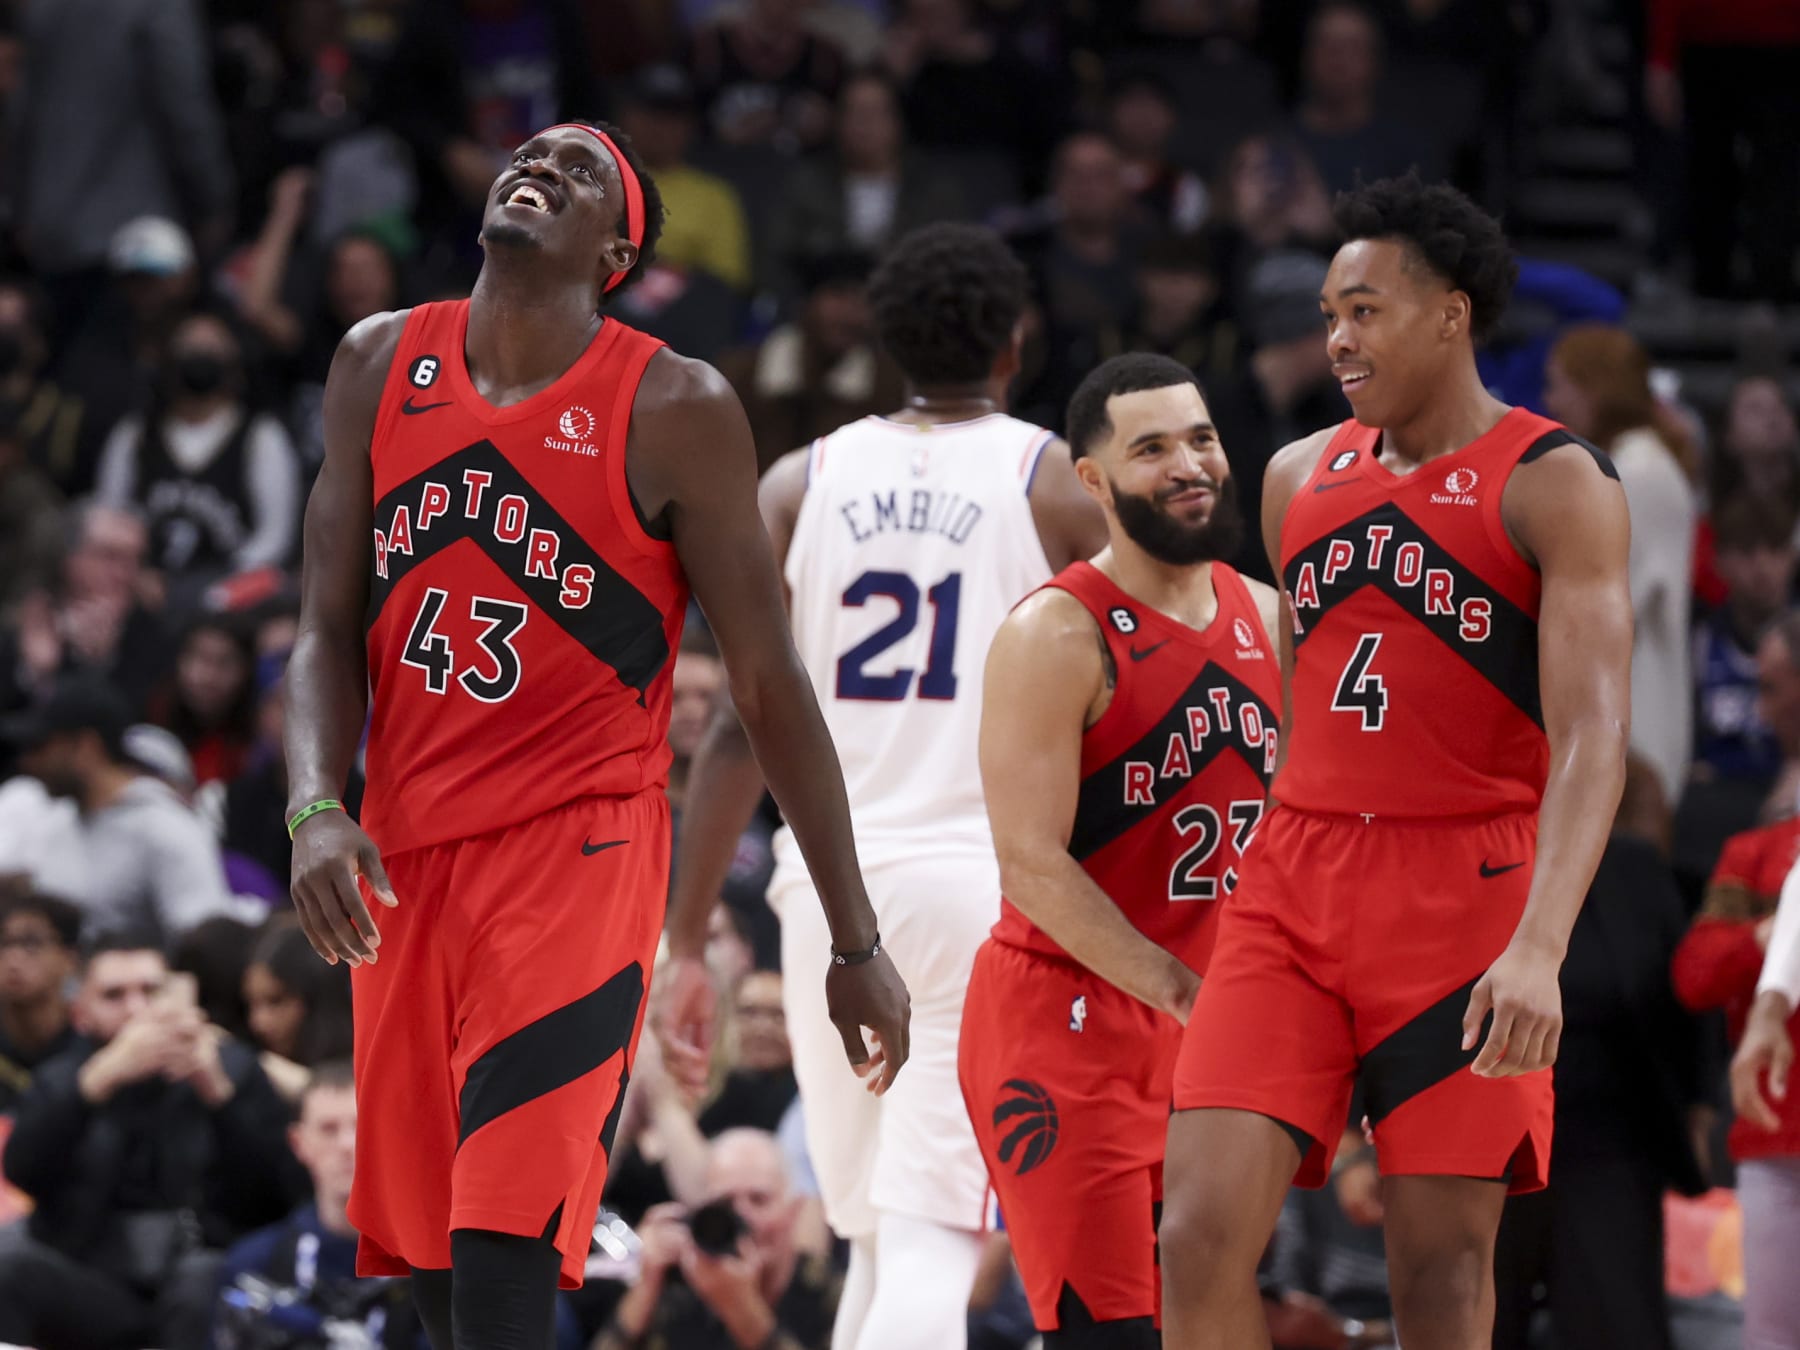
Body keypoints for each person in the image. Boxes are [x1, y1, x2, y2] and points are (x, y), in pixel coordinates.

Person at [281, 119, 908, 1350]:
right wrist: (314, 804)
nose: (538, 167)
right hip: (404, 861)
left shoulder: (675, 403)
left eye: (578, 173)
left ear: (615, 252)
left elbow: (769, 686)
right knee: (430, 1268)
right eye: (530, 154)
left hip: (579, 857)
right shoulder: (374, 361)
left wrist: (851, 937)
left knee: (504, 1242)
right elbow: (322, 629)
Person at [1161, 172, 1632, 1350]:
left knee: (1437, 1275)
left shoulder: (1554, 480)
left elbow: (1593, 734)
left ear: (1451, 314)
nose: (1336, 337)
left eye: (1363, 310)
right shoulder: (1291, 477)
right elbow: (1298, 695)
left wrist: (1542, 945)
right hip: (1294, 880)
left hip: (1466, 899)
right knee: (1194, 1236)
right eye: (1329, 312)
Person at [659, 220, 1104, 1350]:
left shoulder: (801, 482)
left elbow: (733, 737)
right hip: (982, 890)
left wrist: (685, 936)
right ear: (1016, 340)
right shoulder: (1051, 479)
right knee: (927, 1238)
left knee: (871, 1238)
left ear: (884, 342)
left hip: (826, 898)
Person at [958, 352, 1281, 1344]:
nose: (1189, 465)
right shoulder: (1056, 633)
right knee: (1110, 1331)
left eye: (1201, 438)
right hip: (1068, 1023)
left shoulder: (1269, 615)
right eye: (1151, 450)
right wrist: (1184, 990)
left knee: (1211, 1319)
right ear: (1092, 480)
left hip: (1217, 1034)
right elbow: (1030, 863)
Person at [0, 932, 296, 1350]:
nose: (136, 1009)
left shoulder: (232, 1068)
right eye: (114, 995)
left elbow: (282, 1187)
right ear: (82, 1010)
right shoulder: (65, 1076)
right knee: (8, 1271)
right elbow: (22, 1170)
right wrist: (94, 1085)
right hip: (93, 1278)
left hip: (204, 1269)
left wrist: (217, 1094)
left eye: (150, 991)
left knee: (200, 1281)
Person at [213, 1060, 425, 1349]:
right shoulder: (254, 1265)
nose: (347, 1145)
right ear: (299, 1143)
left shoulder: (436, 1264)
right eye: (328, 1129)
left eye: (361, 1126)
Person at [595, 1128, 838, 1350]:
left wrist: (742, 1311)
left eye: (758, 1200)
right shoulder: (681, 1284)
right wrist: (645, 1286)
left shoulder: (831, 1291)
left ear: (793, 1209)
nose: (742, 1216)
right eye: (725, 1203)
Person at [0, 888, 82, 1112]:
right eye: (3, 943)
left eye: (31, 943)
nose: (13, 958)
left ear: (69, 959)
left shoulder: (88, 1052)